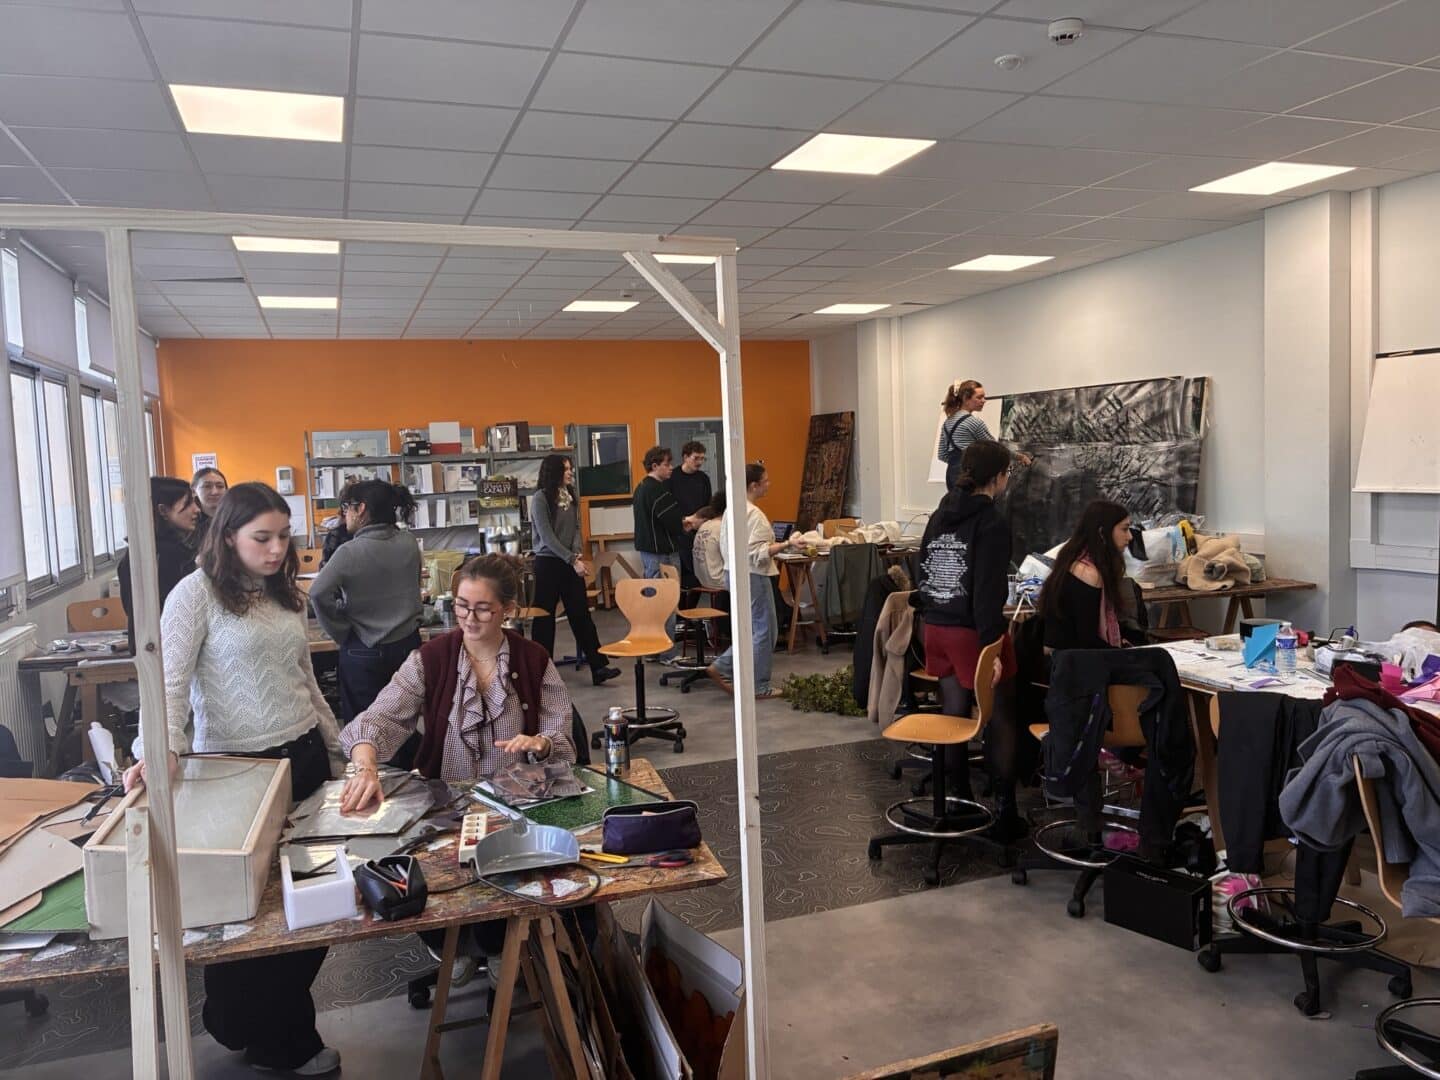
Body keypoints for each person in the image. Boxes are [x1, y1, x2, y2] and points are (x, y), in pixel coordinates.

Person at [123, 481, 342, 1077]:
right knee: (247, 913)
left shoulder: (284, 593)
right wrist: (160, 750)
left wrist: (338, 746)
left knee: (314, 901)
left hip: (303, 759)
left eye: (283, 536)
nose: (276, 549)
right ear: (227, 537)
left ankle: (245, 1019)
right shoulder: (193, 595)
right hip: (236, 773)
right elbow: (167, 687)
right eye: (261, 538)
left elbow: (305, 680)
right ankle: (279, 1037)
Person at [335, 554, 577, 986]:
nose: (469, 618)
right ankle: (462, 942)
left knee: (511, 873)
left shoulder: (533, 659)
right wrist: (366, 765)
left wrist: (540, 743)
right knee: (428, 876)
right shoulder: (431, 659)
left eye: (483, 609)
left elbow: (560, 734)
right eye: (461, 606)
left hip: (514, 803)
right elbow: (379, 719)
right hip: (446, 803)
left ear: (508, 610)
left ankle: (496, 944)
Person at [917, 440, 1026, 840]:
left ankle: (958, 799)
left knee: (954, 712)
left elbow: (922, 568)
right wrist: (993, 646)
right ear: (997, 477)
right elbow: (988, 591)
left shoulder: (939, 514)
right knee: (1001, 715)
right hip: (971, 631)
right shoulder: (991, 522)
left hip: (936, 626)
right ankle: (1005, 810)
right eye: (1007, 473)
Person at [309, 479, 425, 722]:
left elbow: (317, 593)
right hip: (408, 646)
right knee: (404, 722)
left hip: (365, 650)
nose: (345, 514)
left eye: (346, 507)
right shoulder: (409, 541)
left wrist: (341, 631)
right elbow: (414, 585)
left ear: (361, 509)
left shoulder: (349, 551)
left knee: (364, 727)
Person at [707, 464, 801, 699]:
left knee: (751, 630)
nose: (769, 484)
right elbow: (757, 552)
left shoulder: (732, 509)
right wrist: (788, 544)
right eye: (766, 481)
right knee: (765, 630)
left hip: (733, 572)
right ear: (753, 485)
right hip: (752, 575)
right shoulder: (755, 515)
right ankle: (755, 683)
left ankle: (727, 667)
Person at [529, 454, 621, 686]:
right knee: (544, 619)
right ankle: (542, 673)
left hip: (570, 561)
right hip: (548, 563)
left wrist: (577, 552)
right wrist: (571, 559)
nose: (570, 472)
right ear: (554, 472)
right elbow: (547, 536)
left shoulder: (570, 495)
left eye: (570, 468)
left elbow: (577, 527)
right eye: (566, 469)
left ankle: (598, 667)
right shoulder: (540, 498)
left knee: (581, 615)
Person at [1039, 499, 1147, 652]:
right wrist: (1120, 654)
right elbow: (1087, 640)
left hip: (1075, 654)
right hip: (1068, 659)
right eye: (1124, 529)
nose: (1130, 537)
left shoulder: (1081, 560)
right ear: (1102, 533)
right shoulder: (1086, 572)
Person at [117, 476, 200, 650]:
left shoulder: (138, 550)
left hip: (150, 647)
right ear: (163, 510)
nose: (196, 509)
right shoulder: (168, 555)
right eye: (188, 503)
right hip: (169, 648)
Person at [632, 445, 690, 662]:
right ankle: (667, 653)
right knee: (667, 602)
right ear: (655, 466)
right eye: (667, 464)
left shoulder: (641, 488)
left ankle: (653, 650)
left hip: (649, 552)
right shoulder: (657, 490)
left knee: (652, 604)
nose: (671, 467)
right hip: (662, 553)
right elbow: (672, 521)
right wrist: (687, 523)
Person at [937, 380, 1030, 490]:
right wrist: (1020, 457)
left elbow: (942, 455)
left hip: (951, 475)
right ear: (966, 399)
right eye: (979, 397)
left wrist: (956, 463)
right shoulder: (974, 423)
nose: (984, 401)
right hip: (969, 475)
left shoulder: (947, 423)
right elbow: (996, 449)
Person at [668, 441, 713, 588]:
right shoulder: (672, 477)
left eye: (702, 458)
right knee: (682, 574)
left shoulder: (703, 479)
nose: (699, 462)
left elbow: (708, 505)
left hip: (699, 531)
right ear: (685, 457)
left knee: (698, 574)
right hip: (679, 532)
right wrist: (683, 520)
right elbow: (668, 506)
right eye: (696, 458)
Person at [191, 466, 228, 543]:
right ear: (194, 491)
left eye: (220, 486)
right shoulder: (189, 523)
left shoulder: (234, 518)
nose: (215, 492)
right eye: (207, 486)